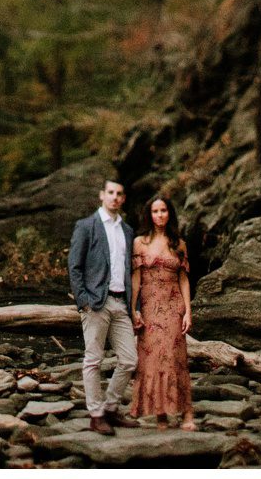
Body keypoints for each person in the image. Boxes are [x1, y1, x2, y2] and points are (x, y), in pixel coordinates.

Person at [67, 178, 140, 434]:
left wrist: (134, 306)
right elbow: (74, 266)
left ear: (123, 198)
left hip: (121, 303)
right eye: (110, 192)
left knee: (129, 360)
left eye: (119, 193)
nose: (115, 197)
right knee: (93, 360)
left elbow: (130, 270)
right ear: (102, 195)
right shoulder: (86, 226)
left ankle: (110, 408)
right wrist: (83, 301)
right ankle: (96, 415)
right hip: (96, 302)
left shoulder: (127, 231)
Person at [129, 194, 195, 428]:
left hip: (173, 306)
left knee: (176, 359)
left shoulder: (179, 243)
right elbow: (136, 278)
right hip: (149, 307)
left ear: (169, 214)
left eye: (163, 211)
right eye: (155, 211)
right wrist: (133, 309)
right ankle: (161, 415)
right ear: (150, 215)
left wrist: (188, 311)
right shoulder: (140, 242)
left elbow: (184, 279)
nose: (159, 215)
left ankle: (187, 413)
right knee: (153, 360)